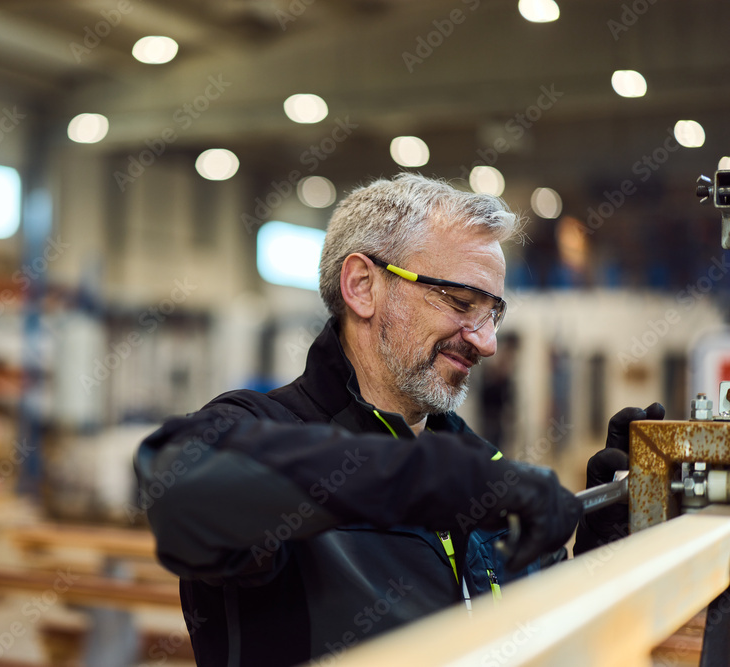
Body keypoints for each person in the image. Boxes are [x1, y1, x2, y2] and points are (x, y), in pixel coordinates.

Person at [134, 174, 659, 667]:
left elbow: (548, 640)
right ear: (362, 285)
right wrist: (423, 474)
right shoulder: (262, 428)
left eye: (492, 313)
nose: (487, 342)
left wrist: (605, 546)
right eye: (460, 302)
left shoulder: (479, 465)